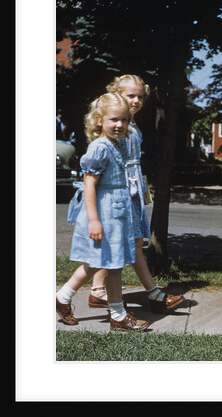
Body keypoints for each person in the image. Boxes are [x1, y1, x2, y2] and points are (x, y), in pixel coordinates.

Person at [89, 74, 184, 313]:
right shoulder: (118, 127)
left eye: (140, 96)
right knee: (133, 243)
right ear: (116, 93)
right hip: (120, 192)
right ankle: (153, 293)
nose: (136, 100)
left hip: (133, 191)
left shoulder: (133, 127)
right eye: (130, 95)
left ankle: (97, 290)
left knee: (123, 243)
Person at [56, 92, 150, 332]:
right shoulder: (99, 147)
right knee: (110, 264)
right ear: (99, 120)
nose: (119, 125)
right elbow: (89, 185)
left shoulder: (115, 144)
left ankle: (63, 297)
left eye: (124, 120)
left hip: (116, 213)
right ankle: (118, 316)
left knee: (101, 263)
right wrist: (94, 220)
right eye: (113, 120)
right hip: (104, 213)